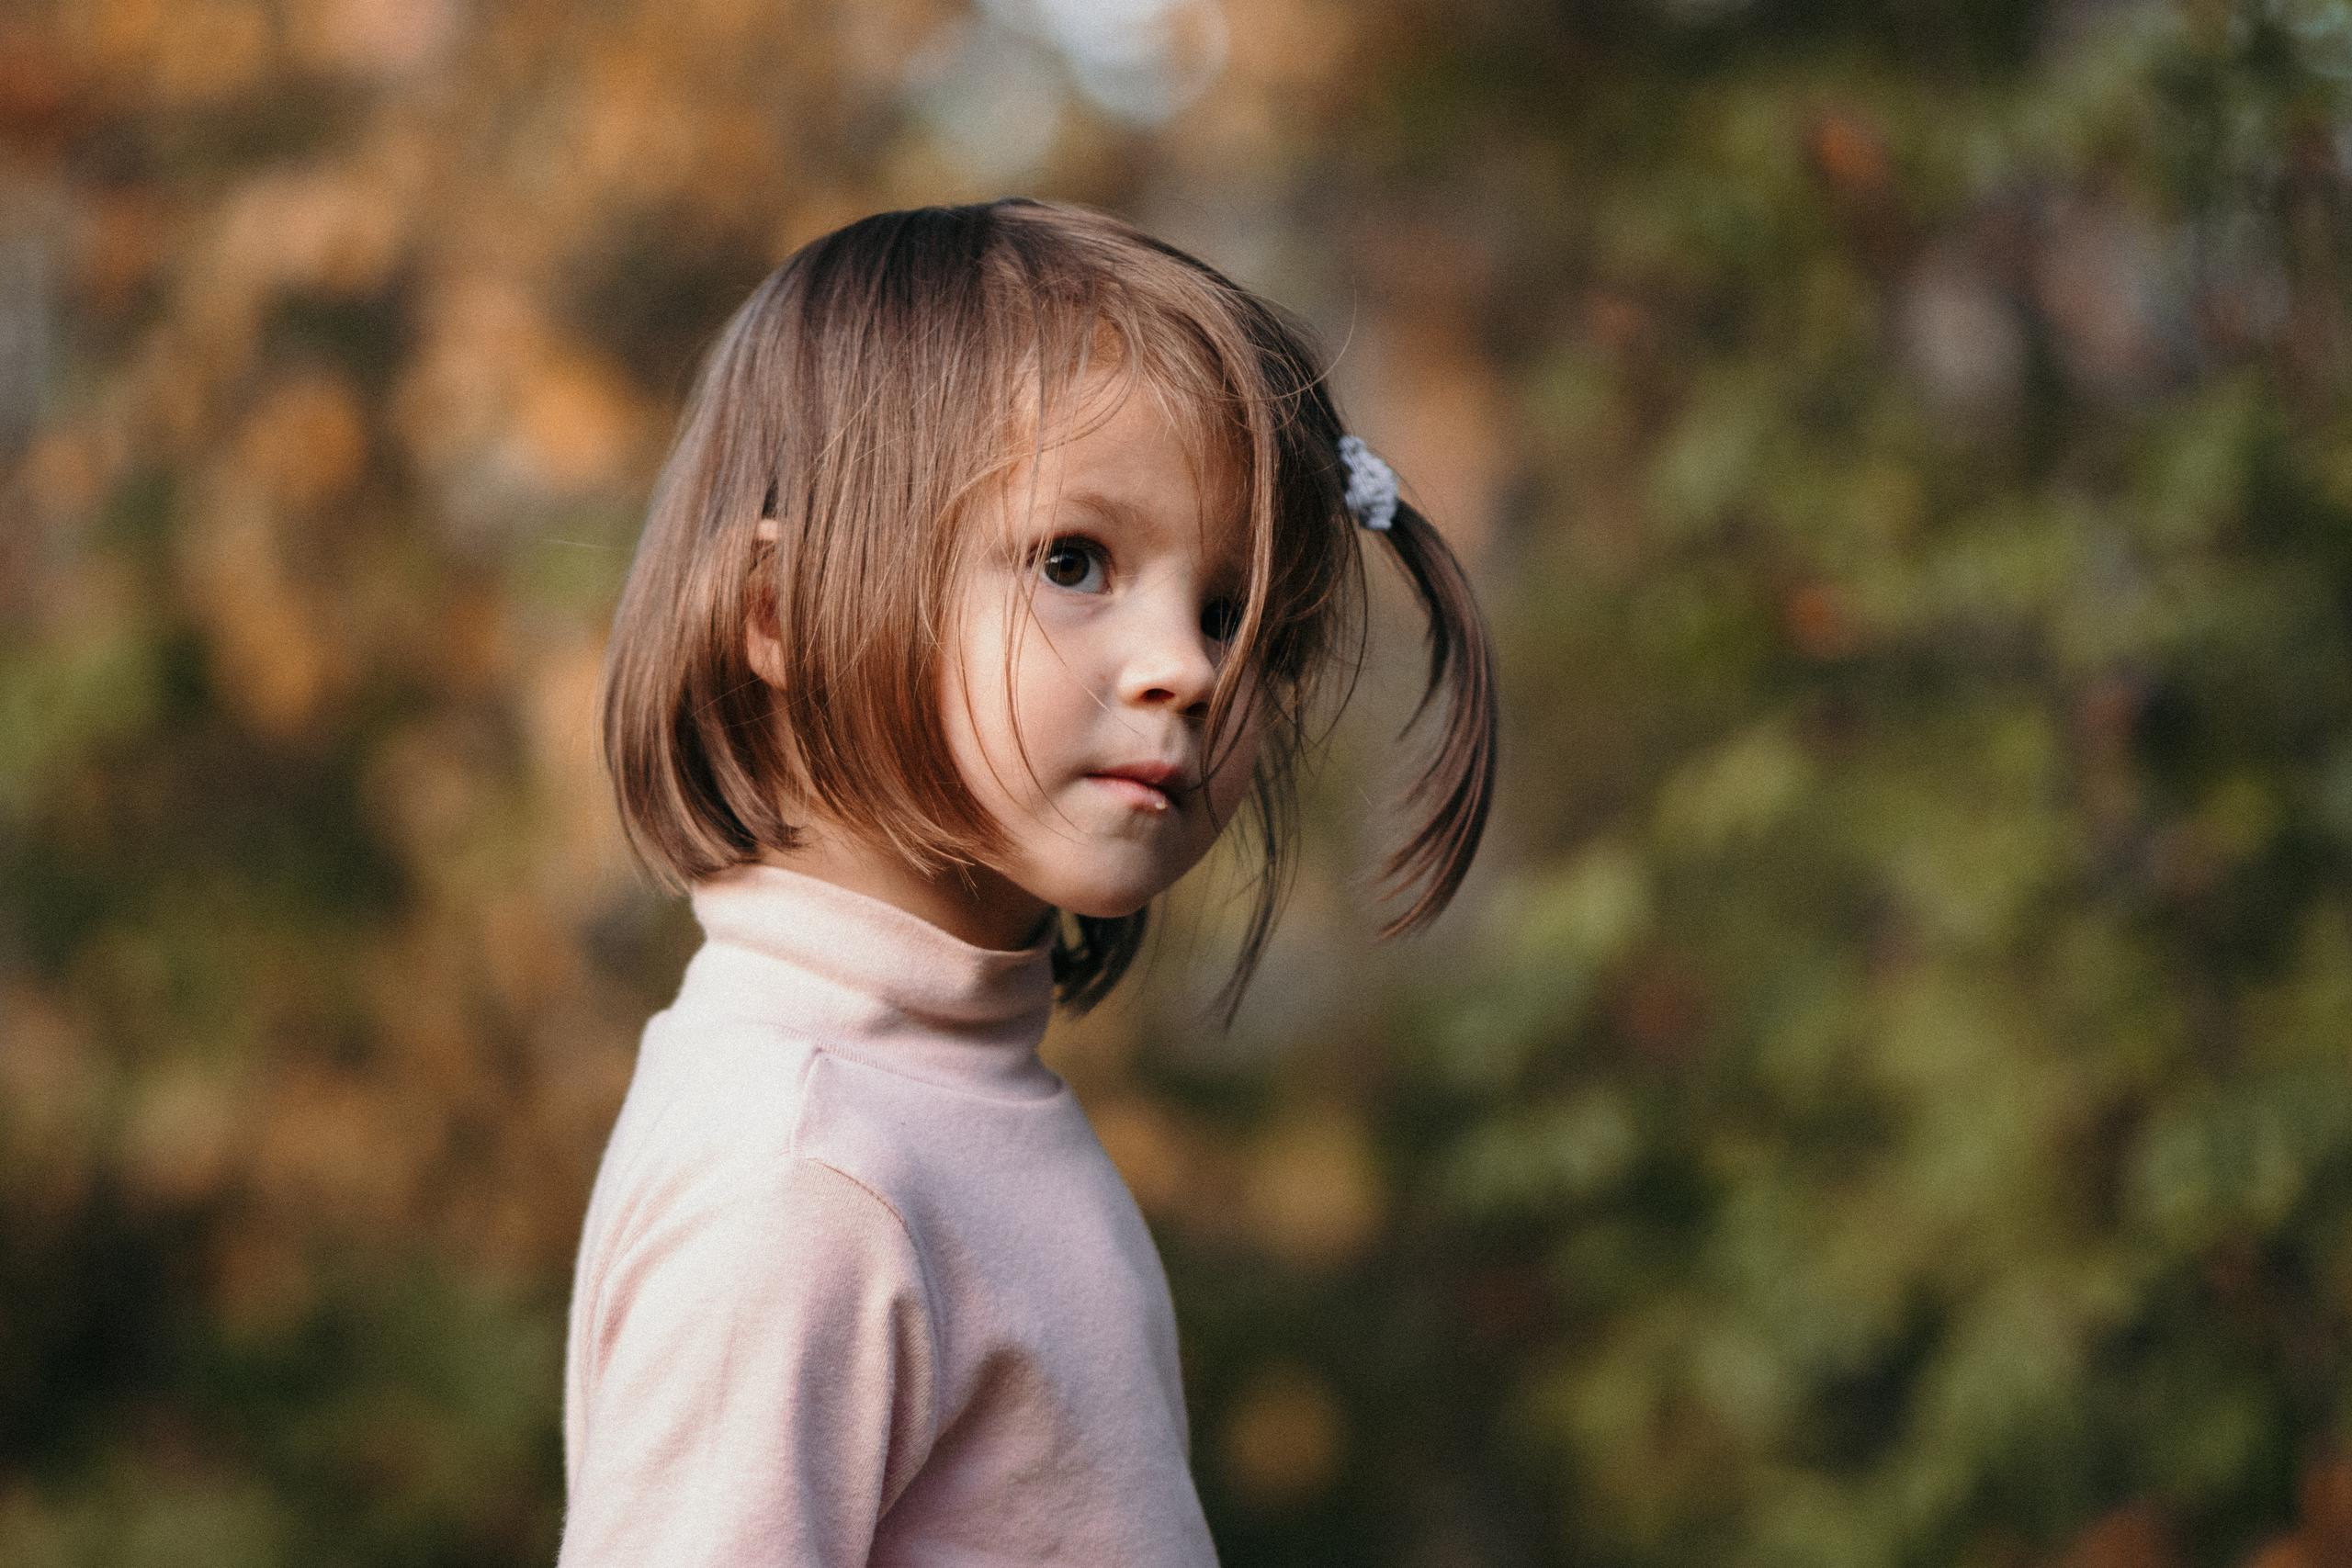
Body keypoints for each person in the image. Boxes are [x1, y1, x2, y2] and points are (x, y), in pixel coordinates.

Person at [559, 197, 1497, 1565]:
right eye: (1075, 562)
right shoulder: (805, 1176)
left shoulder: (942, 1101)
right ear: (779, 612)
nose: (1186, 665)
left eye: (1229, 611)